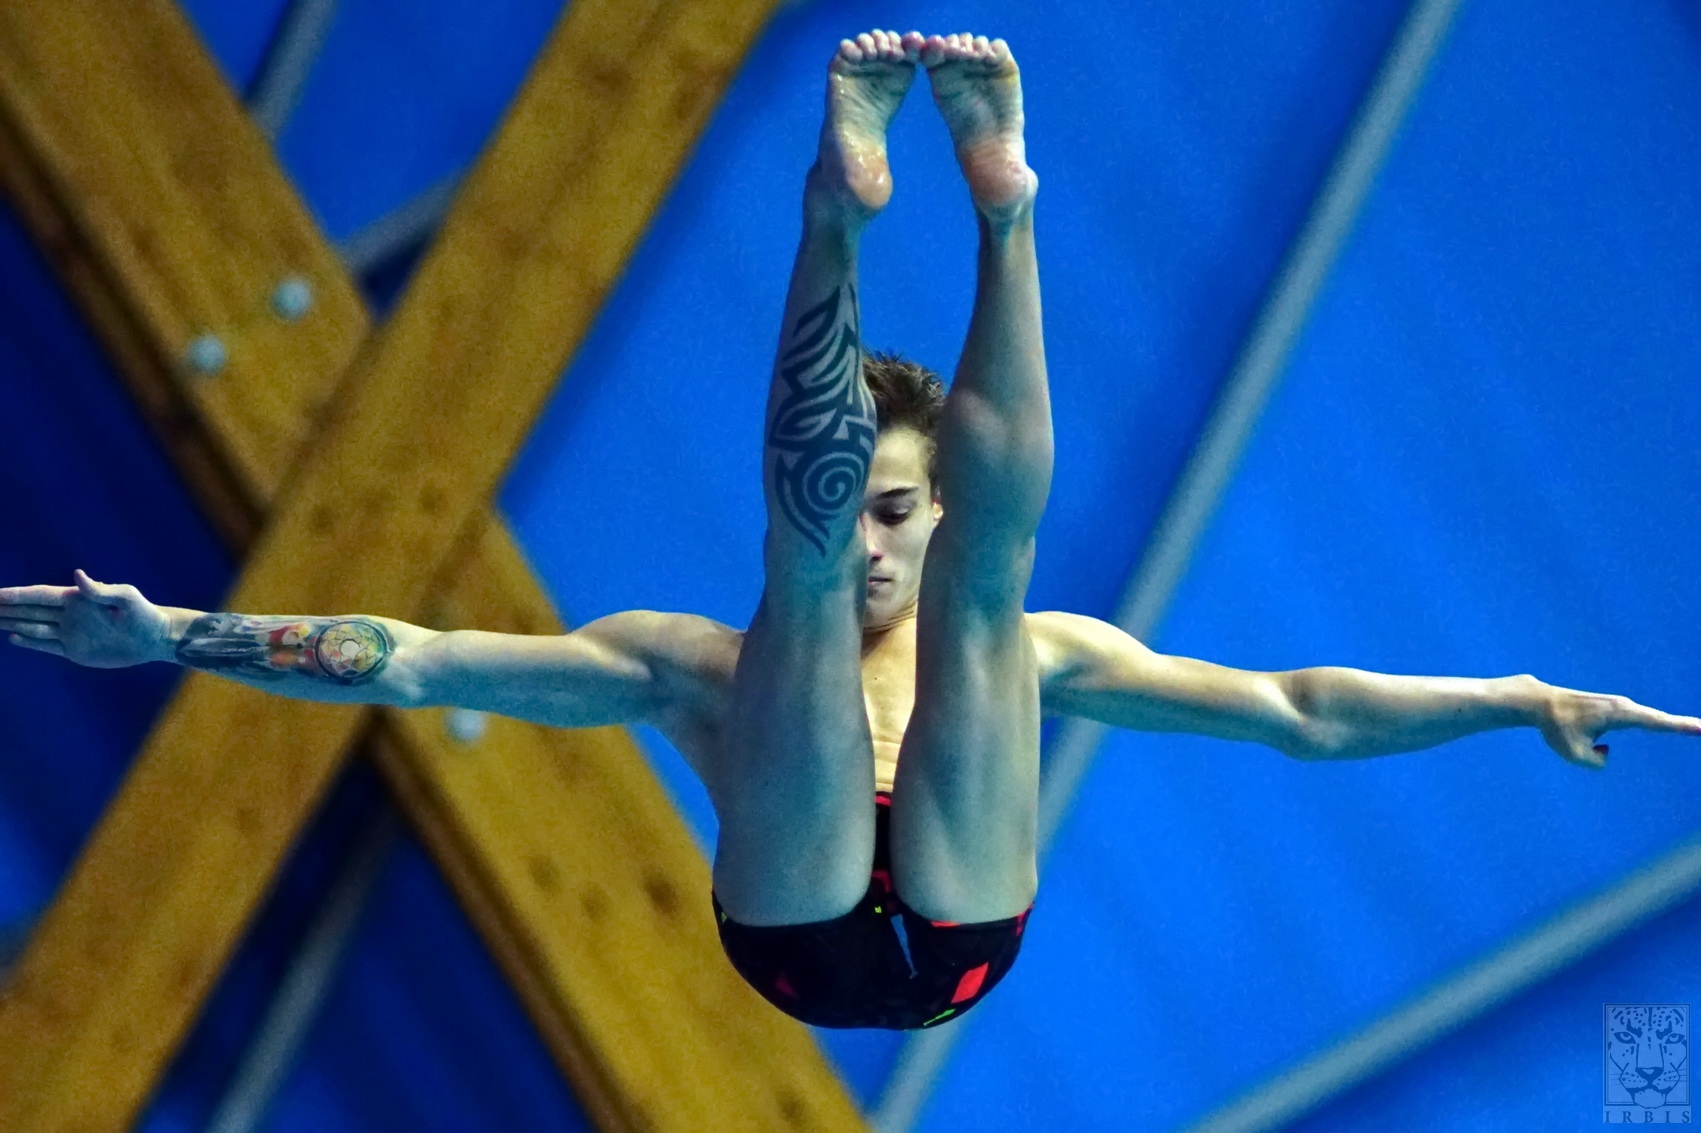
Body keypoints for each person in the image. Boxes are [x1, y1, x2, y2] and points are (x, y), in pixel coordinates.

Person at [4, 29, 1698, 1031]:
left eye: (898, 507)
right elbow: (420, 656)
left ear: (929, 494)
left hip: (958, 932)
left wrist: (1514, 693)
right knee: (792, 607)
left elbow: (1300, 708)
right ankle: (839, 208)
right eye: (869, 508)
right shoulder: (688, 668)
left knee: (990, 609)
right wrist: (175, 638)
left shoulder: (1019, 645)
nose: (879, 540)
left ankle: (1002, 209)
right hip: (798, 934)